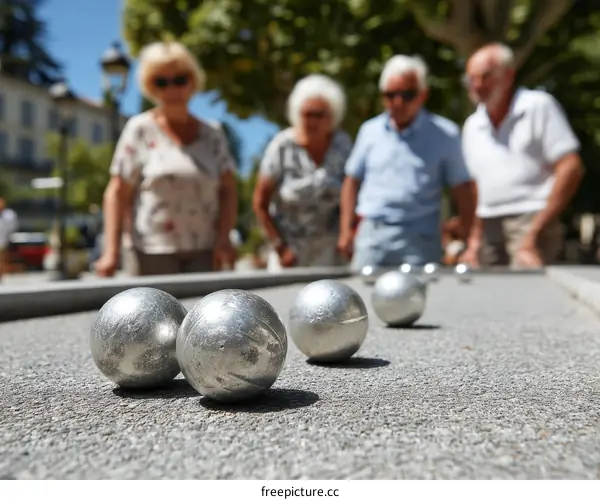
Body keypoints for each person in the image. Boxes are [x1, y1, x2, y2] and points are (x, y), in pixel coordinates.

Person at [95, 41, 238, 277]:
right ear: (151, 87)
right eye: (161, 82)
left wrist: (225, 238)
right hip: (151, 250)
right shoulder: (139, 129)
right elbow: (117, 191)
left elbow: (229, 188)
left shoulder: (212, 134)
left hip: (205, 249)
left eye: (180, 79)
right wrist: (111, 251)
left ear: (192, 81)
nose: (172, 89)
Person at [338, 55, 476, 269]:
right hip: (372, 236)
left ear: (423, 94)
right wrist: (346, 230)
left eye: (407, 95)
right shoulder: (369, 131)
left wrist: (469, 238)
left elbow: (463, 188)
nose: (398, 102)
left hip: (420, 239)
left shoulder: (445, 134)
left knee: (419, 300)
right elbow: (351, 181)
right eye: (390, 95)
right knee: (359, 297)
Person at [460, 43, 584, 269]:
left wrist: (537, 228)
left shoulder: (538, 107)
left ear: (508, 76)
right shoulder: (472, 125)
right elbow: (477, 186)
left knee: (528, 298)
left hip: (531, 218)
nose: (477, 85)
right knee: (484, 299)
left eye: (485, 77)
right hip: (488, 224)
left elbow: (570, 166)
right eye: (471, 79)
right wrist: (474, 239)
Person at [252, 74, 353, 269]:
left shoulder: (342, 144)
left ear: (333, 116)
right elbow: (260, 202)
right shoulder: (282, 145)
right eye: (307, 114)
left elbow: (352, 192)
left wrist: (348, 234)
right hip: (290, 252)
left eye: (319, 114)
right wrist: (279, 247)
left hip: (331, 252)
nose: (313, 121)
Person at [0, 198, 18, 280]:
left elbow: (13, 227)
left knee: (2, 259)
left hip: (3, 241)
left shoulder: (9, 214)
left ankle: (1, 276)